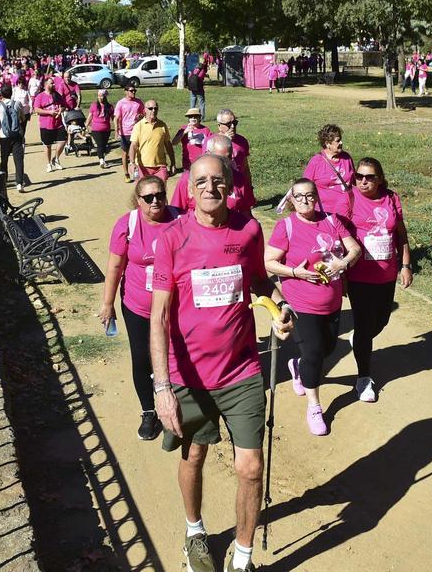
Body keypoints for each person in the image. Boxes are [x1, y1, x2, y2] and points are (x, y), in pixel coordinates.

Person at [151, 154, 295, 572]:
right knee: (193, 456)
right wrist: (162, 389)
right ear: (189, 188)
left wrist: (278, 305)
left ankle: (243, 558)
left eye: (218, 180)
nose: (209, 187)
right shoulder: (172, 238)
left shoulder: (248, 229)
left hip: (242, 370)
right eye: (200, 180)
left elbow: (259, 281)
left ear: (230, 185)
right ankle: (194, 532)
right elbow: (159, 317)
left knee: (250, 467)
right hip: (188, 374)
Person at [265, 178, 361, 435]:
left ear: (316, 196)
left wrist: (343, 263)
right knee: (315, 353)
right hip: (301, 302)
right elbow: (269, 262)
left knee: (328, 347)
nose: (305, 201)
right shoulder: (286, 227)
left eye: (309, 195)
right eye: (299, 197)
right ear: (291, 200)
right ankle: (314, 406)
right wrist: (295, 272)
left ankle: (297, 366)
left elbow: (355, 249)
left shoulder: (332, 221)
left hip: (331, 300)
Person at [100, 176, 181, 441]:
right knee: (142, 358)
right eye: (148, 198)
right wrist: (107, 303)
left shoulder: (181, 220)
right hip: (137, 306)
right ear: (138, 200)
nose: (155, 201)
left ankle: (178, 402)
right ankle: (148, 411)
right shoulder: (128, 225)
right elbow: (115, 266)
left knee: (176, 354)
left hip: (175, 306)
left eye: (159, 195)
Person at [347, 157, 413, 402]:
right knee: (365, 327)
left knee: (382, 321)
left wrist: (405, 265)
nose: (363, 181)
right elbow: (339, 232)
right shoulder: (350, 198)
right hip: (359, 275)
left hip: (386, 274)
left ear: (380, 178)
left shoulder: (391, 197)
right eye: (359, 176)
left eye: (369, 177)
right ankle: (364, 377)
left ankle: (361, 340)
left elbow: (401, 234)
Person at [170, 134, 257, 215]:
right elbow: (176, 212)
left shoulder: (239, 179)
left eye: (228, 157)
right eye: (220, 158)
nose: (224, 163)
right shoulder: (188, 178)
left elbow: (246, 213)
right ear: (208, 153)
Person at [302, 124, 354, 220]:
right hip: (324, 215)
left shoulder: (347, 158)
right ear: (327, 143)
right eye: (338, 141)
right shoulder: (316, 162)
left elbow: (354, 182)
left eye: (341, 139)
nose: (341, 142)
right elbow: (304, 187)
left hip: (347, 213)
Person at [129, 100, 176, 181]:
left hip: (160, 166)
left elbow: (168, 145)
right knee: (144, 192)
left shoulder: (162, 125)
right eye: (150, 108)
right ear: (145, 110)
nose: (153, 111)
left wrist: (173, 163)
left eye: (155, 108)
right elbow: (133, 145)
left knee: (161, 192)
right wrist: (132, 163)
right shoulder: (139, 126)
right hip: (143, 167)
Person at [0, 85, 26, 193]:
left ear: (1, 94)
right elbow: (23, 118)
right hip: (16, 135)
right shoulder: (17, 104)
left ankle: (4, 180)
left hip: (4, 136)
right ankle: (19, 183)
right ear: (11, 93)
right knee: (18, 160)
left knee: (4, 159)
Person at [32, 76, 66, 172]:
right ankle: (49, 164)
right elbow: (36, 109)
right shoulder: (40, 96)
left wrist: (60, 111)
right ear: (46, 85)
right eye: (51, 83)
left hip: (58, 123)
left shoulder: (57, 95)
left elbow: (63, 105)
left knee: (63, 141)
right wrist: (49, 113)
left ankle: (56, 159)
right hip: (46, 124)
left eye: (53, 83)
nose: (53, 85)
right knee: (48, 145)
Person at [113, 86, 145, 183]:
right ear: (126, 92)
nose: (133, 92)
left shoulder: (138, 102)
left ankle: (137, 173)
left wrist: (141, 116)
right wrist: (116, 131)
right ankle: (126, 173)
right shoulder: (121, 103)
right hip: (125, 132)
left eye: (135, 90)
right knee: (125, 153)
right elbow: (116, 118)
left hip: (136, 131)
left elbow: (144, 113)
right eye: (131, 91)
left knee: (137, 152)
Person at [216, 109, 251, 180]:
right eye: (228, 124)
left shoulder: (242, 141)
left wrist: (249, 186)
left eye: (234, 123)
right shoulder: (211, 141)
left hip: (239, 185)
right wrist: (225, 141)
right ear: (219, 126)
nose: (232, 126)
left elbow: (245, 167)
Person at [89, 88, 114, 168]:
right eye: (99, 96)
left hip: (106, 129)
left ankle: (103, 159)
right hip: (96, 129)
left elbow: (113, 118)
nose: (100, 98)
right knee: (100, 145)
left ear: (105, 97)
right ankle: (101, 161)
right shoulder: (94, 105)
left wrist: (117, 126)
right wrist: (85, 126)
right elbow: (90, 116)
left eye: (102, 96)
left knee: (104, 145)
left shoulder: (110, 107)